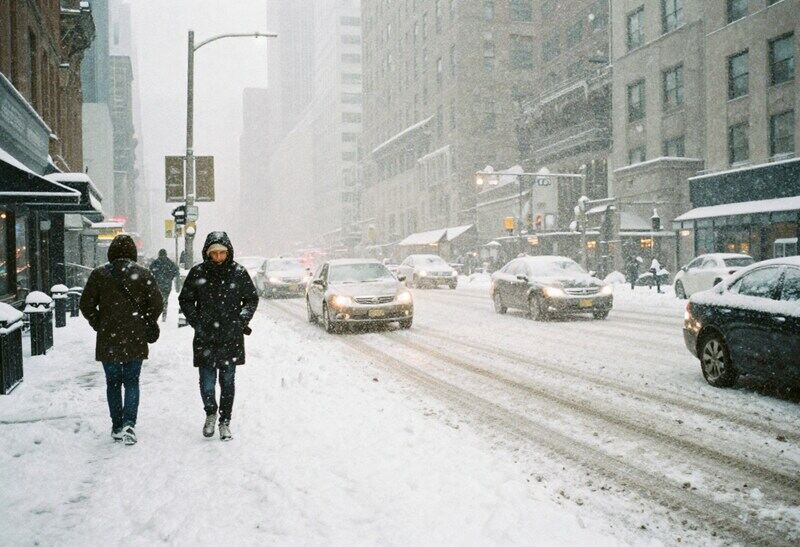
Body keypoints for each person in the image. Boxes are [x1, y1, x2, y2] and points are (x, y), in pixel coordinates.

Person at [80, 234, 164, 445]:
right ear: (133, 253)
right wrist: (144, 320)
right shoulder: (143, 274)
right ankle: (129, 423)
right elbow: (157, 304)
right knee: (132, 382)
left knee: (113, 383)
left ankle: (116, 425)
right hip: (135, 337)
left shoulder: (100, 275)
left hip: (109, 339)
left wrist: (99, 322)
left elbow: (86, 304)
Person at [178, 232, 259, 441]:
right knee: (206, 382)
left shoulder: (238, 273)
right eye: (214, 253)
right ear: (207, 253)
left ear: (228, 252)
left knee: (228, 381)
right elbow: (185, 299)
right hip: (205, 337)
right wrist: (197, 321)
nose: (219, 257)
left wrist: (241, 320)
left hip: (230, 337)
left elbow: (251, 299)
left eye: (223, 253)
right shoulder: (198, 273)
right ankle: (210, 413)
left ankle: (225, 421)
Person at [149, 249, 179, 321]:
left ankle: (157, 313)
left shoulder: (155, 263)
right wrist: (170, 277)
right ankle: (164, 313)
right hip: (167, 285)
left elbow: (150, 271)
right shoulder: (170, 263)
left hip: (158, 284)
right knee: (165, 299)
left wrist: (155, 277)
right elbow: (176, 272)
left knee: (158, 299)